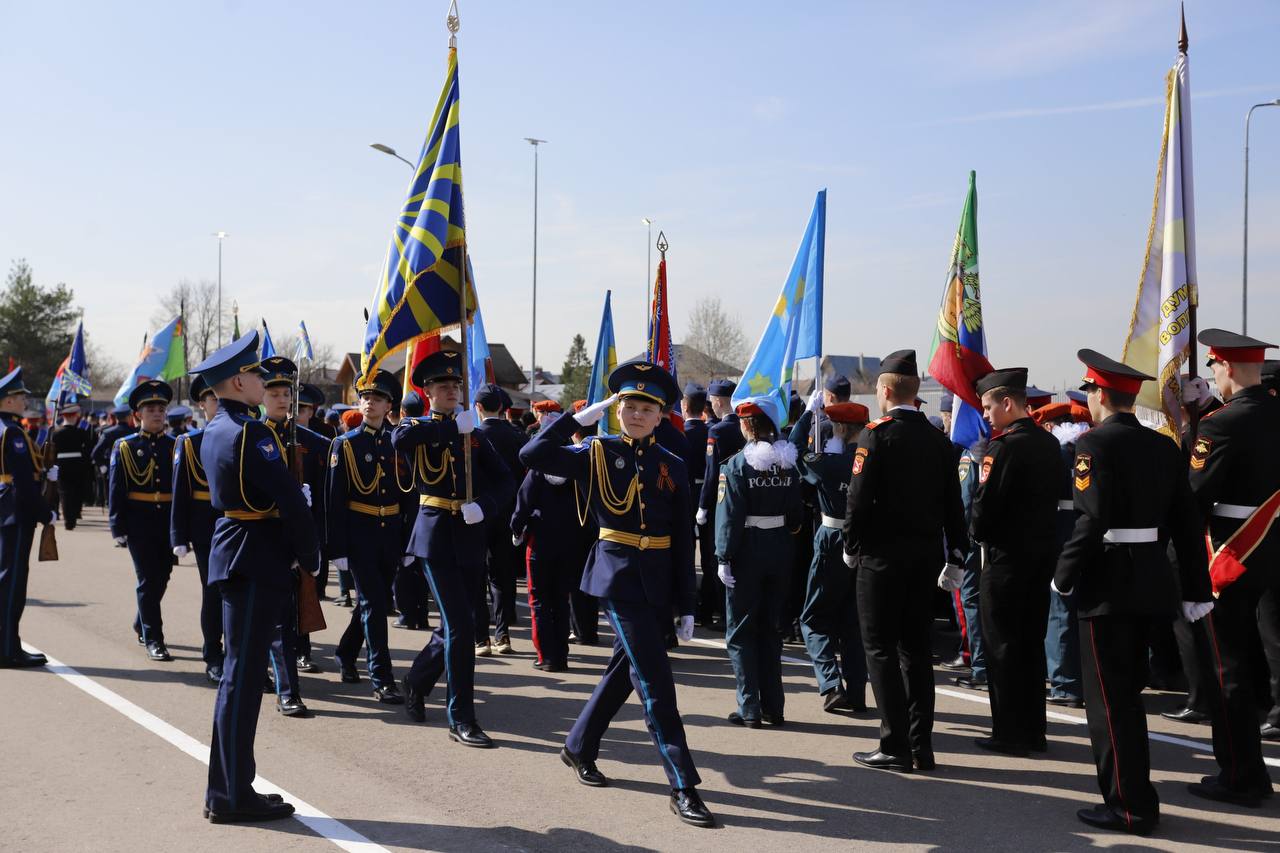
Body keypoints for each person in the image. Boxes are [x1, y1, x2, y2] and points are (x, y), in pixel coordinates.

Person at [520, 361, 712, 827]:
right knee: (655, 682)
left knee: (624, 671)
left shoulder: (674, 465)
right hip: (616, 576)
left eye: (646, 407)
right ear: (616, 408)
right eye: (628, 405)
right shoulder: (596, 451)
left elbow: (684, 537)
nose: (635, 414)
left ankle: (578, 745)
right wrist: (575, 420)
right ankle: (683, 783)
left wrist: (687, 604)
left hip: (658, 578)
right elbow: (532, 453)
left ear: (662, 414)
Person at [1053, 348, 1210, 835]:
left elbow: (1092, 517)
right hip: (1151, 582)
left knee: (1110, 704)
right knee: (1128, 699)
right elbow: (1186, 523)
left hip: (1108, 585)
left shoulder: (1094, 446)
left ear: (1099, 393)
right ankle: (1137, 795)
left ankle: (1128, 804)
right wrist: (1195, 586)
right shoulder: (1164, 446)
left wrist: (1064, 574)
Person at [193, 331, 316, 823]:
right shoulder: (251, 432)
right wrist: (310, 555)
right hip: (255, 555)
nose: (265, 384)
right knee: (242, 682)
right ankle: (230, 795)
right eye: (259, 377)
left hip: (237, 552)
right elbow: (288, 498)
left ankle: (228, 788)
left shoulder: (217, 427)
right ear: (239, 380)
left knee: (239, 679)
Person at [844, 350, 967, 773]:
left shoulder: (876, 434)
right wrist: (957, 554)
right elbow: (955, 504)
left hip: (881, 560)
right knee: (916, 651)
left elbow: (857, 501)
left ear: (884, 390)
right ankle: (921, 746)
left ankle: (894, 743)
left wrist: (850, 543)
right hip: (926, 559)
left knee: (880, 649)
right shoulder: (938, 440)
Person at [393, 350, 514, 747]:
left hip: (468, 537)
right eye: (443, 386)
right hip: (434, 537)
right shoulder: (420, 426)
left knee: (453, 626)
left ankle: (415, 680)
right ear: (427, 391)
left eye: (456, 385)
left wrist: (485, 507)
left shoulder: (476, 436)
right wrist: (450, 430)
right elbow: (401, 438)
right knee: (462, 626)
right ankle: (461, 717)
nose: (452, 391)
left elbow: (505, 482)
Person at [1185, 329, 1280, 807]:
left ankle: (1241, 775)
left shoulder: (1223, 424)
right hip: (1273, 548)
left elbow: (1195, 496)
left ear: (1223, 365)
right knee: (1261, 661)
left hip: (1235, 555)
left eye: (1214, 367)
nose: (1214, 376)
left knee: (1229, 667)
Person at [969, 368, 1067, 756]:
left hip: (1005, 560)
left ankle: (1009, 732)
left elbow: (983, 509)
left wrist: (976, 531)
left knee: (1003, 647)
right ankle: (1033, 729)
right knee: (1029, 646)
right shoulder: (1048, 444)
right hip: (1039, 558)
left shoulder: (1004, 447)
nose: (987, 415)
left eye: (990, 407)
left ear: (1008, 403)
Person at [715, 397, 803, 728]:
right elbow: (796, 515)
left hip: (747, 551)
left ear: (746, 425)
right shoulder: (788, 463)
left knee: (740, 632)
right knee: (770, 630)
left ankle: (749, 707)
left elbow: (730, 517)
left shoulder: (736, 465)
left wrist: (724, 556)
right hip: (780, 549)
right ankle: (774, 707)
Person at [327, 369, 408, 704]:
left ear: (389, 404)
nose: (369, 403)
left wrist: (408, 541)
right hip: (359, 534)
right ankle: (382, 677)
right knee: (375, 604)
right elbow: (334, 501)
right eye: (365, 397)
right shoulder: (345, 444)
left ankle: (346, 653)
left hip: (390, 534)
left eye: (377, 398)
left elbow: (408, 494)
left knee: (371, 603)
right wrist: (337, 548)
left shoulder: (398, 441)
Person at [790, 393, 869, 712]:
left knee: (814, 618)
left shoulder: (831, 463)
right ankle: (857, 692)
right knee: (853, 620)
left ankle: (831, 683)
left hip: (832, 537)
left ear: (839, 429)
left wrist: (807, 416)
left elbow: (794, 451)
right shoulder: (872, 461)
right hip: (864, 542)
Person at [259, 356, 327, 713]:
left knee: (290, 617)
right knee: (264, 618)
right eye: (274, 392)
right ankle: (270, 679)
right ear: (261, 395)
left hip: (295, 539)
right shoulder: (249, 436)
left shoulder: (311, 441)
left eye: (287, 392)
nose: (283, 399)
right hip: (261, 536)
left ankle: (289, 690)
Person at [109, 380, 177, 661]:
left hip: (168, 522)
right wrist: (117, 525)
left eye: (161, 408)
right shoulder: (124, 447)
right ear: (138, 414)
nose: (157, 413)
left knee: (162, 577)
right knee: (148, 579)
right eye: (151, 409)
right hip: (139, 521)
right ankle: (154, 637)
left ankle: (141, 621)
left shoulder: (176, 446)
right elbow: (117, 487)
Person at [511, 409, 581, 672]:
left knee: (539, 600)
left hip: (540, 541)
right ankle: (561, 654)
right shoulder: (575, 467)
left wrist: (516, 529)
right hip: (568, 541)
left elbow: (523, 502)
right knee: (560, 599)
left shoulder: (538, 469)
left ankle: (546, 656)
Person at [0, 367, 57, 668]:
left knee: (5, 579)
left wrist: (45, 471)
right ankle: (7, 649)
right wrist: (45, 511)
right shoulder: (14, 433)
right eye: (20, 396)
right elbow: (21, 481)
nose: (24, 401)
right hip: (15, 513)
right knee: (12, 585)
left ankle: (8, 644)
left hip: (4, 509)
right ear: (8, 400)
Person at [170, 375, 225, 684]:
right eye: (212, 399)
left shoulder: (241, 435)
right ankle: (213, 655)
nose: (218, 404)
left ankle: (236, 654)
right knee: (213, 593)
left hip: (239, 525)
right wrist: (178, 535)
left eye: (221, 397)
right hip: (206, 529)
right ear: (202, 404)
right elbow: (181, 492)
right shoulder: (190, 443)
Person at [475, 383, 526, 657]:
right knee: (502, 576)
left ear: (478, 408)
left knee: (477, 575)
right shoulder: (518, 436)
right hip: (508, 513)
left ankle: (481, 638)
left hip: (478, 513)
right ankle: (502, 633)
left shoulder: (471, 436)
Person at [694, 379, 742, 628]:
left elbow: (712, 472)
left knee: (717, 560)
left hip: (719, 503)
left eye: (712, 400)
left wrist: (703, 505)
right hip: (742, 503)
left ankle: (723, 615)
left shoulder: (717, 431)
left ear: (719, 401)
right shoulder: (744, 426)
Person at [393, 390, 432, 630]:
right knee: (420, 567)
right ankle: (423, 613)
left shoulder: (400, 436)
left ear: (402, 413)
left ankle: (407, 614)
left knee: (404, 568)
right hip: (427, 508)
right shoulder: (429, 434)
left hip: (405, 510)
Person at [50, 401, 92, 530]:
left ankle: (69, 521)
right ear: (74, 416)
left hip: (62, 465)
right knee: (76, 492)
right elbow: (88, 450)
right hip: (78, 466)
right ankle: (73, 517)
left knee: (65, 493)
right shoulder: (81, 432)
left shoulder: (55, 433)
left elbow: (52, 451)